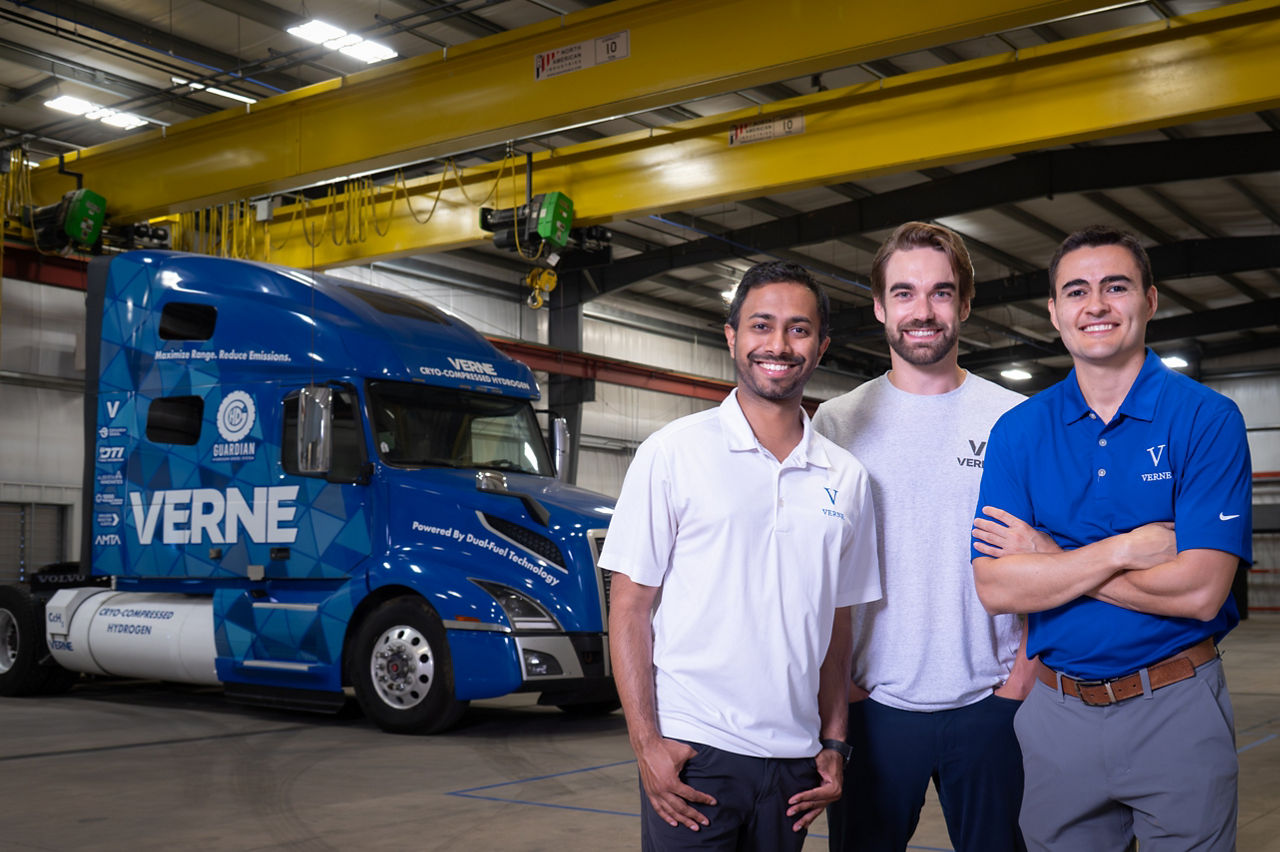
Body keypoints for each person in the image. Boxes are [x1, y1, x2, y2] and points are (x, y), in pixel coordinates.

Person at [971, 225, 1253, 851]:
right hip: (1057, 714)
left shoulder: (1206, 419)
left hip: (1176, 705)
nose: (1095, 305)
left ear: (1150, 300)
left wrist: (1051, 562)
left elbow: (1201, 592)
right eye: (1076, 291)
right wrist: (1121, 550)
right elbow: (996, 585)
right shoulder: (1018, 431)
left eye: (1115, 286)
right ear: (1054, 312)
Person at [601, 260, 881, 851]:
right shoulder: (672, 453)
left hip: (794, 765)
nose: (778, 345)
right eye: (761, 325)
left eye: (798, 329)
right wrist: (647, 744)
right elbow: (629, 608)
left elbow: (838, 622)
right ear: (732, 336)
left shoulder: (848, 478)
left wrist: (833, 742)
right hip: (695, 755)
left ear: (821, 346)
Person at [813, 221, 1033, 852]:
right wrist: (843, 693)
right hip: (872, 709)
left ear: (964, 304)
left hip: (992, 706)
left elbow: (1049, 559)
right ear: (880, 307)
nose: (923, 311)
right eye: (904, 293)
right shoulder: (837, 421)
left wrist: (1020, 682)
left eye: (940, 293)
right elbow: (819, 568)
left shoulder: (1013, 419)